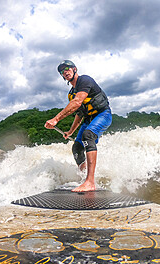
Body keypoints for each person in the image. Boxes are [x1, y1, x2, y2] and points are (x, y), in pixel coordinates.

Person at [45, 60, 112, 192]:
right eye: (62, 71)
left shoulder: (85, 80)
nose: (65, 72)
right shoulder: (71, 93)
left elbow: (77, 102)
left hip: (103, 115)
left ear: (74, 69)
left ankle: (90, 182)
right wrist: (70, 132)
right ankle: (84, 177)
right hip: (88, 119)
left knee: (88, 136)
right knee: (77, 147)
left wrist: (56, 119)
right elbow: (79, 114)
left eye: (67, 68)